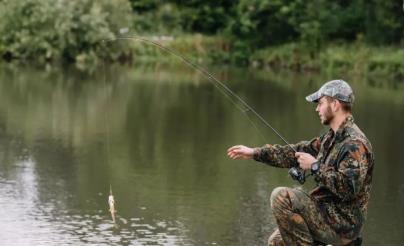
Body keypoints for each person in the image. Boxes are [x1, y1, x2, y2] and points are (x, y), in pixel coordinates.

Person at [227, 80, 374, 246]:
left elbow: (348, 189)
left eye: (320, 103)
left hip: (343, 226)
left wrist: (315, 167)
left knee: (282, 197)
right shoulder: (330, 138)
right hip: (326, 214)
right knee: (277, 242)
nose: (317, 109)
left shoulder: (355, 144)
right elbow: (295, 152)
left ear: (335, 104)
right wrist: (255, 153)